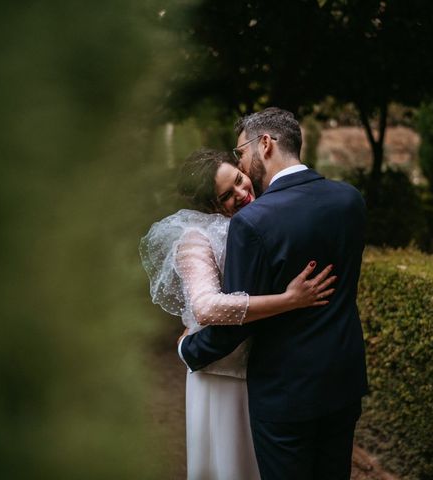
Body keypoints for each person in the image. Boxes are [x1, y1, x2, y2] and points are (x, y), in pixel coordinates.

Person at [178, 107, 369, 480]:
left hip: (286, 391)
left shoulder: (254, 222)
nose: (243, 167)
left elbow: (237, 324)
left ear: (264, 144)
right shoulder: (350, 200)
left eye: (241, 155)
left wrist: (189, 350)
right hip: (343, 379)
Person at [140, 149, 337, 480]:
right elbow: (205, 306)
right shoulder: (195, 238)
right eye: (227, 195)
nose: (242, 193)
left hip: (264, 374)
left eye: (239, 180)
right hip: (222, 377)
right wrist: (289, 299)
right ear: (209, 206)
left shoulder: (262, 218)